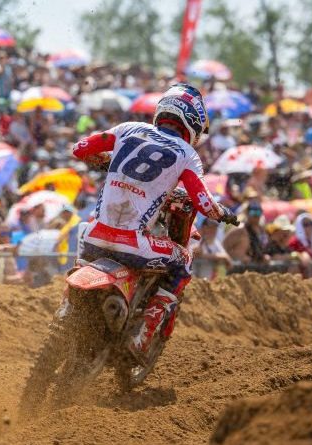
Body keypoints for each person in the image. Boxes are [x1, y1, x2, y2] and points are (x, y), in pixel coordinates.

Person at [71, 83, 237, 362]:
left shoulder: (128, 129)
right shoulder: (187, 154)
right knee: (183, 260)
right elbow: (204, 203)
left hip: (93, 237)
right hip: (134, 246)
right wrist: (224, 214)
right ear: (194, 121)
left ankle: (70, 307)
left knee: (84, 233)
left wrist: (105, 161)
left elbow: (80, 148)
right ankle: (144, 334)